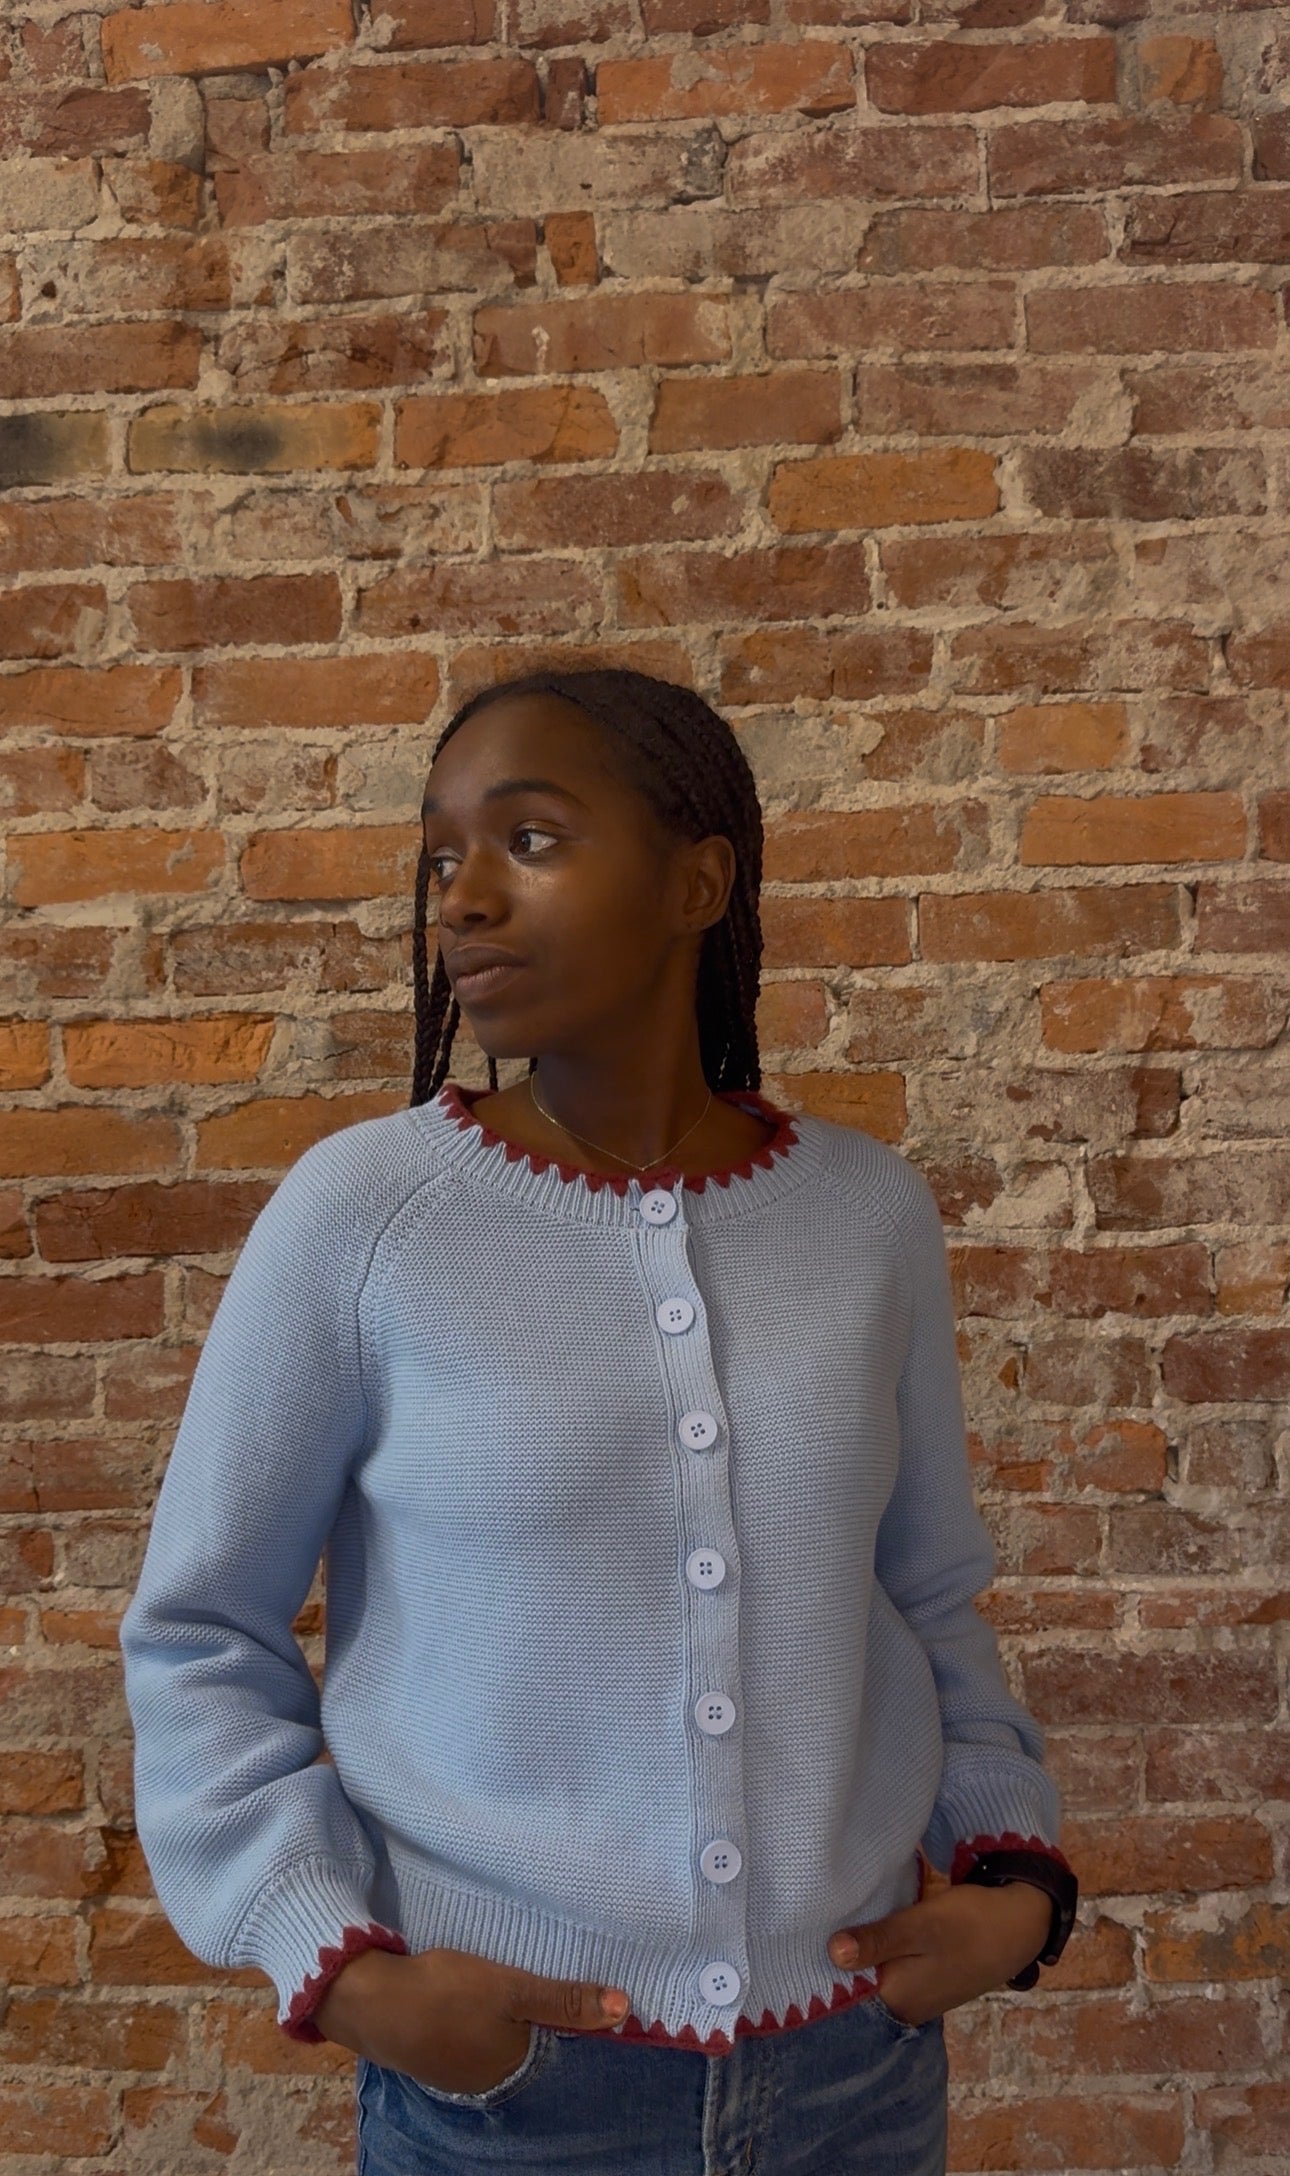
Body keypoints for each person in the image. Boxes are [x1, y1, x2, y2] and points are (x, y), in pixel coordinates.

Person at [119, 666, 1078, 2176]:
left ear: (700, 882)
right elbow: (198, 1631)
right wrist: (342, 1968)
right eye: (443, 857)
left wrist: (1015, 1877)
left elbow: (926, 1591)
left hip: (854, 2073)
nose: (463, 899)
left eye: (531, 839)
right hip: (512, 2096)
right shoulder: (365, 1216)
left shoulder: (867, 1215)